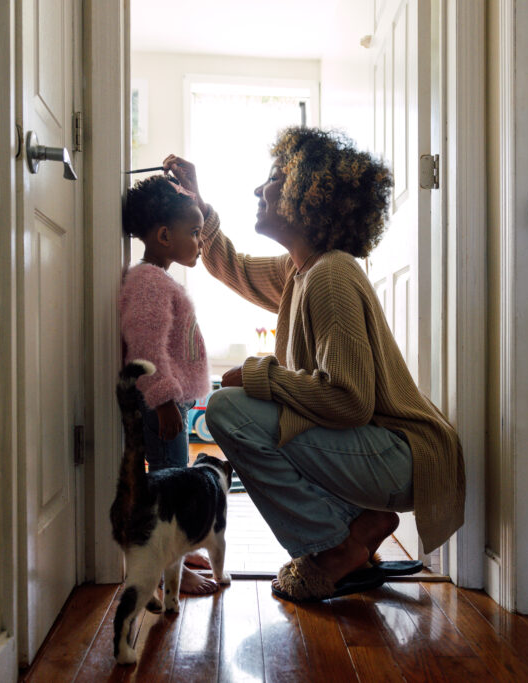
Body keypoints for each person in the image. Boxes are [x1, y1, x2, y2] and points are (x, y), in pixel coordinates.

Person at [162, 127, 465, 602]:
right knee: (250, 413)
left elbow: (349, 401)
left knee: (226, 410)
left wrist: (261, 376)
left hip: (404, 457)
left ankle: (338, 548)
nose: (259, 190)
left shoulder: (331, 275)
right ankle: (360, 526)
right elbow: (233, 266)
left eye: (274, 180)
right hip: (386, 454)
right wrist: (199, 205)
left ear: (310, 193)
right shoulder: (299, 271)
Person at [118, 174, 220, 595]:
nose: (200, 241)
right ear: (164, 235)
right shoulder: (148, 283)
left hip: (171, 403)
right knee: (168, 487)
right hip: (161, 404)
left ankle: (176, 553)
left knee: (174, 482)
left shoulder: (158, 279)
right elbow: (145, 346)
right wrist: (161, 401)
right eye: (194, 233)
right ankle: (162, 571)